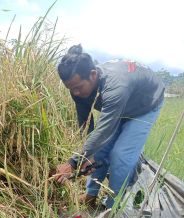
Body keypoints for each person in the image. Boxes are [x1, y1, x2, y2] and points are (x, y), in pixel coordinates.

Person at [54, 44, 165, 209]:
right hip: (120, 106)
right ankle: (90, 195)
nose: (75, 93)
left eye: (78, 88)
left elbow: (104, 131)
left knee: (120, 155)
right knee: (98, 153)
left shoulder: (116, 87)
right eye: (71, 89)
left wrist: (73, 163)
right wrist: (87, 157)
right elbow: (86, 125)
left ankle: (112, 207)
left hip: (145, 105)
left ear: (92, 75)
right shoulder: (77, 88)